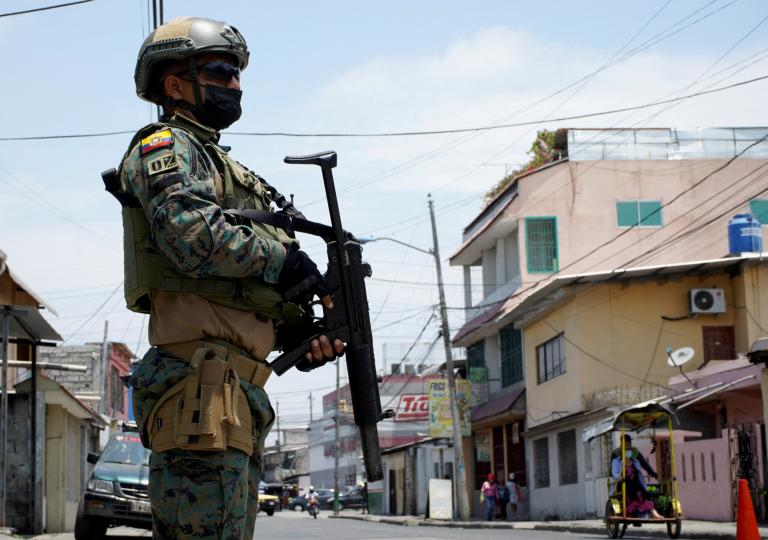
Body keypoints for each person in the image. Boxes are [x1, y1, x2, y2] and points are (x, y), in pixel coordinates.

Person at [121, 16, 343, 539]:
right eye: (221, 72)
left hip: (234, 393)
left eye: (238, 74)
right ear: (175, 84)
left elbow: (233, 286)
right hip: (199, 389)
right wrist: (282, 260)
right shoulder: (167, 147)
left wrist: (296, 332)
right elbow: (188, 232)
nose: (236, 85)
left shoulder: (221, 164)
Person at [610, 434, 663, 518]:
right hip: (621, 482)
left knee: (643, 491)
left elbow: (644, 464)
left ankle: (652, 512)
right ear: (622, 443)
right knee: (632, 487)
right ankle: (634, 510)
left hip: (635, 481)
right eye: (626, 443)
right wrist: (620, 476)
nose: (628, 445)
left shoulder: (634, 454)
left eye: (629, 443)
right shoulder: (616, 455)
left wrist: (653, 474)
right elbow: (613, 473)